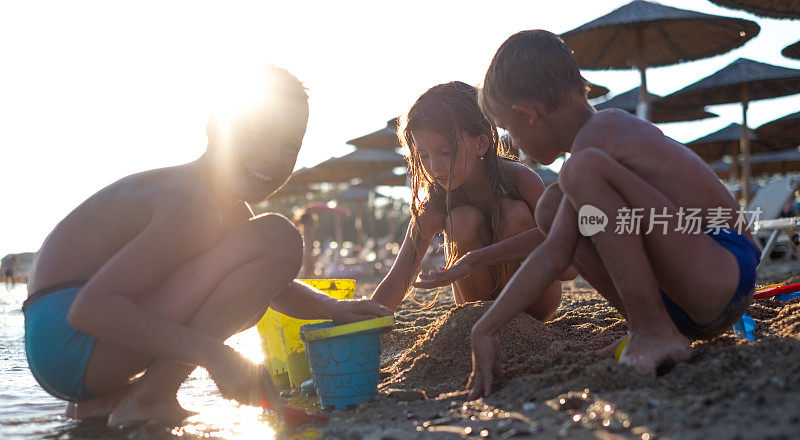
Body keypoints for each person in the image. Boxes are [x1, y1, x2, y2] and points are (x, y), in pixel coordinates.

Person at [23, 66, 391, 427]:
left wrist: (333, 307)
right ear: (217, 127)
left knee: (266, 260)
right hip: (72, 334)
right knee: (278, 237)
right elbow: (89, 310)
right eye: (260, 135)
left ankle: (108, 402)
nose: (276, 158)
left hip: (59, 346)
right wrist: (217, 356)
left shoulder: (218, 204)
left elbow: (271, 281)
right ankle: (152, 397)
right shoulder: (191, 205)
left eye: (289, 146)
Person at [417, 30, 760, 398]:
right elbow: (555, 239)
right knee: (551, 207)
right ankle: (647, 327)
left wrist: (484, 328)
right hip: (689, 298)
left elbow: (556, 254)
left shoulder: (601, 138)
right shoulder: (589, 156)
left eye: (509, 131)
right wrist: (477, 262)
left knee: (578, 175)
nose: (513, 144)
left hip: (722, 271)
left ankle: (652, 331)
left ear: (528, 114)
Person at [371, 81, 573, 319]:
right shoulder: (437, 202)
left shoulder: (519, 180)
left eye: (446, 152)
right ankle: (485, 317)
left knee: (512, 214)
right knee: (462, 220)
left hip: (534, 308)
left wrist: (506, 250)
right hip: (477, 312)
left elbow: (569, 267)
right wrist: (359, 321)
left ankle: (515, 319)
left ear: (481, 143)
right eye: (423, 155)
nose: (435, 167)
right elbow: (398, 278)